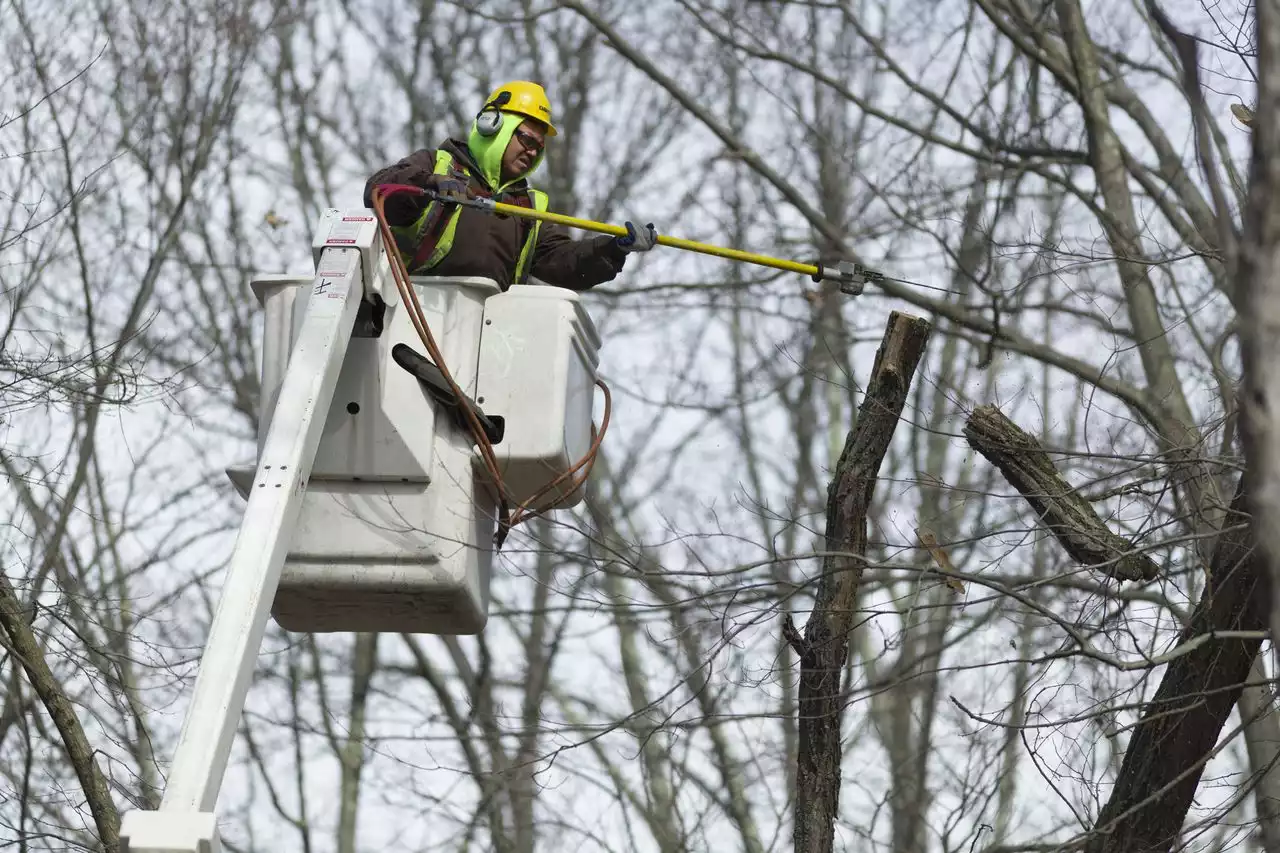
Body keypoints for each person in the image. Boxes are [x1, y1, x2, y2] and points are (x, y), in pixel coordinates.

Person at [364, 81, 656, 291]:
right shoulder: (437, 164)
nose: (532, 152)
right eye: (527, 140)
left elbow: (562, 263)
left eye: (538, 148)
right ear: (493, 126)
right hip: (414, 307)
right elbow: (381, 191)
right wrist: (430, 186)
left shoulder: (527, 206)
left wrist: (613, 247)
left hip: (491, 330)